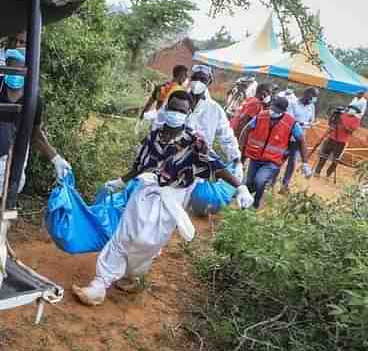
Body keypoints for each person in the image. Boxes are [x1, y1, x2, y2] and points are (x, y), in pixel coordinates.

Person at [71, 91, 254, 306]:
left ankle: (132, 275)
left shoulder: (195, 142)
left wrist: (240, 187)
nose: (176, 113)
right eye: (173, 108)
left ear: (187, 113)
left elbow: (217, 166)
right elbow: (140, 165)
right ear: (166, 108)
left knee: (147, 243)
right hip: (145, 191)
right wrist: (121, 181)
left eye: (181, 110)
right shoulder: (154, 135)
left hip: (171, 199)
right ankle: (99, 285)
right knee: (123, 237)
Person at [0, 48, 71, 207]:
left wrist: (55, 158)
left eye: (19, 68)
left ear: (28, 71)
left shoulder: (33, 99)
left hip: (7, 160)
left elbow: (34, 132)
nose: (14, 73)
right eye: (10, 67)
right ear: (5, 66)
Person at [154, 65, 244, 182]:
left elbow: (227, 137)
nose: (198, 82)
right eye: (195, 78)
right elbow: (159, 122)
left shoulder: (215, 110)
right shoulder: (178, 99)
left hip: (198, 162)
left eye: (202, 79)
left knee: (185, 192)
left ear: (209, 81)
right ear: (191, 79)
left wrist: (236, 159)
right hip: (169, 156)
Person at [239, 97, 311, 209]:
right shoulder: (262, 116)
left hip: (272, 161)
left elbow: (301, 140)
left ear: (283, 111)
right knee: (249, 182)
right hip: (256, 157)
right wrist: (239, 149)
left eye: (277, 111)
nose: (273, 112)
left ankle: (255, 204)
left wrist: (305, 163)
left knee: (260, 180)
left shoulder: (291, 123)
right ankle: (245, 202)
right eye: (273, 109)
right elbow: (246, 129)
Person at [278, 87, 318, 194]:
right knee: (279, 160)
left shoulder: (312, 107)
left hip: (299, 139)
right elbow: (289, 119)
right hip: (287, 137)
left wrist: (307, 124)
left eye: (315, 97)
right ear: (306, 94)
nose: (314, 98)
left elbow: (312, 121)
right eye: (313, 96)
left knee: (292, 163)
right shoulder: (293, 103)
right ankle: (270, 182)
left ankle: (284, 186)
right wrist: (302, 123)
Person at [314, 104, 362, 178]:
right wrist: (333, 119)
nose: (351, 110)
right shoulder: (341, 115)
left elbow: (350, 131)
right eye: (350, 108)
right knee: (323, 155)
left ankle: (328, 174)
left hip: (342, 142)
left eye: (353, 109)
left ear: (356, 112)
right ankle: (317, 171)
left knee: (336, 160)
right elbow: (331, 124)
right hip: (331, 138)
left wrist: (343, 123)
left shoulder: (356, 120)